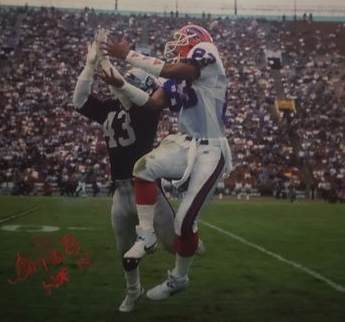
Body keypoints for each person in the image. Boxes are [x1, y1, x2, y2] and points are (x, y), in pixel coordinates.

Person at [101, 23, 232, 300]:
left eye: (181, 40)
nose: (176, 46)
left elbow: (177, 71)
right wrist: (121, 85)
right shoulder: (178, 76)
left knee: (184, 223)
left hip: (212, 149)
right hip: (186, 143)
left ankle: (179, 278)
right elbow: (153, 103)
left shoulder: (206, 53)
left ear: (196, 41)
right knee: (144, 168)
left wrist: (128, 55)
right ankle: (146, 234)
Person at [72, 32, 176, 312]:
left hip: (147, 190)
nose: (124, 81)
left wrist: (102, 61)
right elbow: (79, 101)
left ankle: (181, 271)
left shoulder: (147, 108)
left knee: (174, 244)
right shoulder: (111, 108)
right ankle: (133, 290)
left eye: (131, 79)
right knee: (125, 251)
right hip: (120, 192)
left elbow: (128, 92)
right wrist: (89, 67)